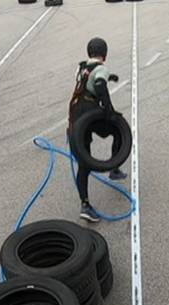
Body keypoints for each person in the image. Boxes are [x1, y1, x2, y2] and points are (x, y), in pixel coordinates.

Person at [68, 37, 127, 223]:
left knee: (83, 160)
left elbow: (90, 80)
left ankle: (85, 204)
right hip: (91, 111)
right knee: (118, 130)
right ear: (105, 55)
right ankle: (114, 167)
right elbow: (99, 84)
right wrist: (109, 110)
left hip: (76, 114)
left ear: (89, 53)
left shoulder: (81, 67)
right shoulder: (102, 68)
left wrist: (111, 77)